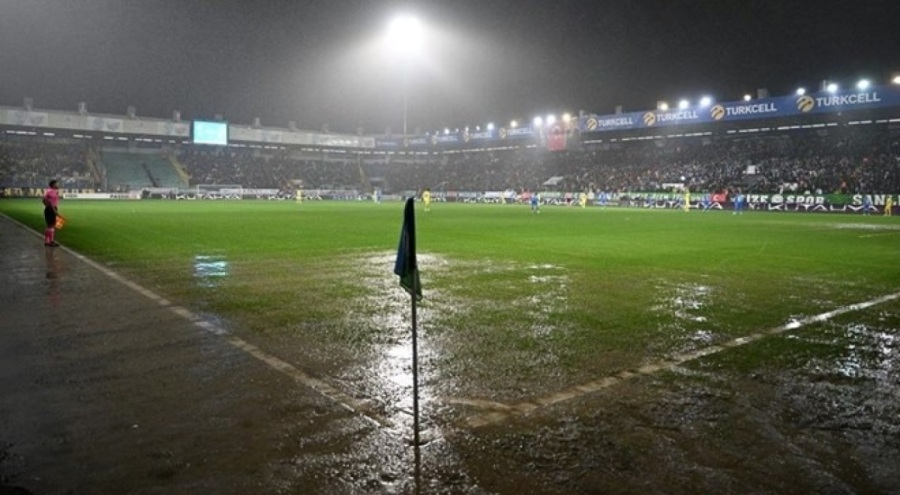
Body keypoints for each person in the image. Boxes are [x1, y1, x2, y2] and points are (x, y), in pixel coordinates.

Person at [42, 179, 61, 247]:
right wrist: (54, 210)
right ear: (53, 185)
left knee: (48, 226)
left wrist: (46, 206)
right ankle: (51, 241)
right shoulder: (52, 192)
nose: (58, 185)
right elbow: (50, 202)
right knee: (52, 225)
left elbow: (43, 200)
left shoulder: (48, 191)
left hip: (48, 209)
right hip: (51, 209)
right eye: (57, 184)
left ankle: (46, 241)